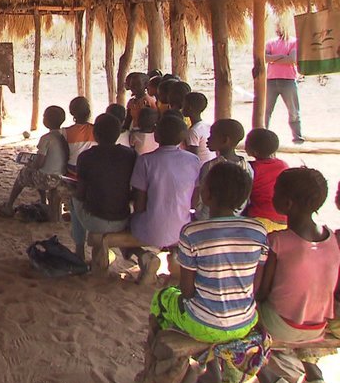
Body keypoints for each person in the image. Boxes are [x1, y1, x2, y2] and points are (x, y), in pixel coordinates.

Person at [150, 163, 267, 349]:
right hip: (245, 323)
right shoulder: (258, 230)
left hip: (203, 325)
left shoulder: (193, 232)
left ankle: (158, 355)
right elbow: (255, 285)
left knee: (162, 298)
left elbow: (187, 291)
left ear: (206, 195)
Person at [256, 168, 340, 383]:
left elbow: (262, 292)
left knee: (242, 322)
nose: (272, 196)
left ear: (288, 203)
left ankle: (273, 380)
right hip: (318, 326)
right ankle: (314, 377)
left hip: (282, 325)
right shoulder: (331, 239)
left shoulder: (277, 241)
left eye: (276, 192)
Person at [97, 115, 201, 284]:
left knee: (126, 222)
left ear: (156, 135)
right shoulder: (194, 160)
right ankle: (175, 258)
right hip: (182, 230)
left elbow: (139, 204)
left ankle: (143, 256)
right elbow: (194, 201)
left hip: (150, 229)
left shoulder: (146, 161)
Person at [71, 114, 135, 260]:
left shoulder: (86, 157)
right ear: (119, 133)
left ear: (95, 134)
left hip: (95, 222)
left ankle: (79, 249)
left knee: (74, 200)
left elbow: (80, 194)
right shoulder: (130, 155)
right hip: (123, 219)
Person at [0, 106, 68, 217]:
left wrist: (30, 164)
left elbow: (39, 164)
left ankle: (9, 205)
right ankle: (43, 201)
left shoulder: (46, 138)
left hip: (47, 179)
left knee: (24, 173)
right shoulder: (64, 135)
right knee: (36, 171)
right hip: (61, 177)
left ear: (46, 120)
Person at [193, 119, 253, 221]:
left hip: (206, 219)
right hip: (234, 219)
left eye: (212, 135)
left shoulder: (210, 166)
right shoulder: (248, 167)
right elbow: (245, 200)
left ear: (225, 140)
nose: (208, 139)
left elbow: (199, 200)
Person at [264, 25, 304, 144]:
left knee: (293, 110)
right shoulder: (270, 42)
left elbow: (291, 59)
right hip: (271, 80)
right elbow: (264, 58)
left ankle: (297, 137)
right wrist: (281, 56)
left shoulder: (294, 42)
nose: (280, 30)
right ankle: (262, 135)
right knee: (266, 110)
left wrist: (273, 58)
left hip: (288, 80)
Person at [245, 129, 289, 232]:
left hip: (260, 221)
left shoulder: (251, 168)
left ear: (253, 151)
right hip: (284, 221)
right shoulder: (283, 164)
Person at [64, 97, 95, 176]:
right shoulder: (96, 129)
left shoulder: (66, 132)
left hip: (73, 169)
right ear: (88, 112)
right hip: (91, 169)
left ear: (71, 112)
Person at [182, 92, 215, 164]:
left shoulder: (193, 131)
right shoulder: (206, 125)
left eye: (184, 105)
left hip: (200, 169)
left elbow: (192, 158)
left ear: (189, 108)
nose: (182, 107)